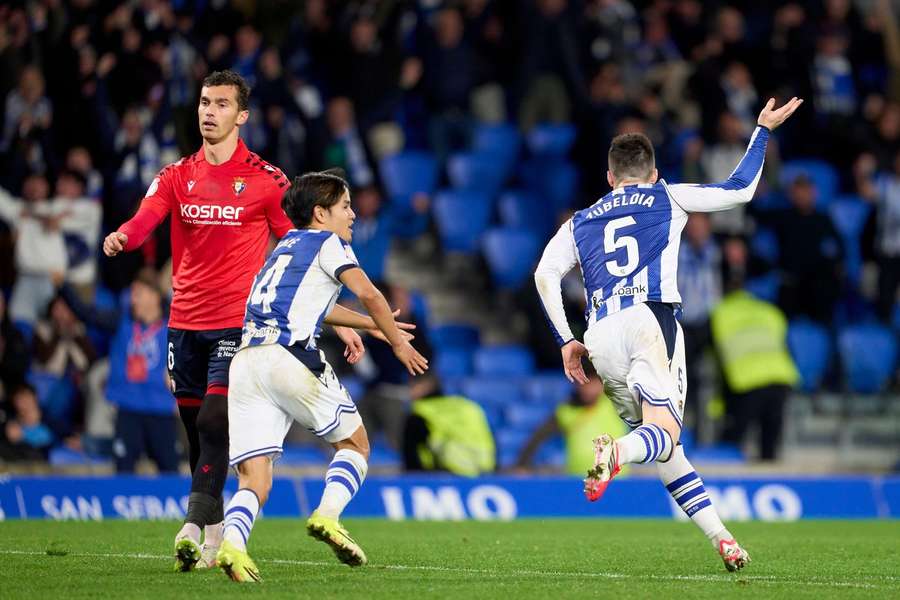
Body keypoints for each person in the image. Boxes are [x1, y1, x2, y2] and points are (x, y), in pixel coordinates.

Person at [533, 96, 803, 572]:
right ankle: (614, 451)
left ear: (610, 178)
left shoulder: (579, 220)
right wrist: (762, 131)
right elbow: (739, 189)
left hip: (599, 334)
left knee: (664, 444)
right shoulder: (668, 195)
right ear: (653, 173)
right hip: (649, 321)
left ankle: (722, 539)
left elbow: (544, 275)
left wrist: (565, 340)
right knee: (662, 432)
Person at [102, 70, 297, 571]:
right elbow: (147, 217)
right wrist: (125, 235)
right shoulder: (175, 175)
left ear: (242, 115)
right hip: (184, 322)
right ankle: (213, 532)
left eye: (222, 104)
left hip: (238, 323)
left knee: (214, 419)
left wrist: (333, 315)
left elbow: (297, 246)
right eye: (205, 103)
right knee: (197, 432)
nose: (209, 112)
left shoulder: (267, 180)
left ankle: (191, 523)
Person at [215, 170, 428, 583]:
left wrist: (368, 326)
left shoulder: (284, 248)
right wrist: (397, 343)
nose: (352, 215)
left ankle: (233, 546)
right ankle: (328, 516)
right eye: (345, 206)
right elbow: (369, 291)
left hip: (246, 363)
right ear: (320, 213)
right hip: (288, 357)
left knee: (254, 478)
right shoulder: (328, 243)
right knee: (355, 443)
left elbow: (316, 304)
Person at [60, 268, 179, 473]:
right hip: (128, 409)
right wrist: (63, 287)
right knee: (123, 471)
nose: (133, 300)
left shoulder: (174, 327)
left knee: (170, 473)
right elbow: (87, 314)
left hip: (160, 409)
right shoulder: (121, 322)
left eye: (138, 294)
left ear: (154, 296)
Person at [514, 371, 627, 477]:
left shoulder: (614, 402)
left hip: (615, 479)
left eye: (592, 383)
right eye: (582, 383)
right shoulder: (566, 411)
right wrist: (522, 464)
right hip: (579, 480)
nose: (587, 388)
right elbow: (538, 437)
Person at [401, 375, 494, 477]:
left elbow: (411, 454)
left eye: (411, 386)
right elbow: (490, 437)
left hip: (443, 475)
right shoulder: (469, 406)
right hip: (483, 472)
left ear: (423, 387)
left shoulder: (420, 412)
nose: (408, 392)